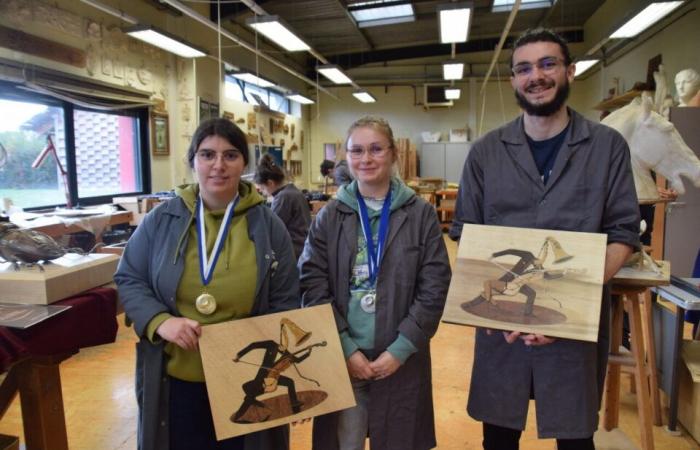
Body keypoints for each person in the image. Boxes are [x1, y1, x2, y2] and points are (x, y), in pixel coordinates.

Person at [449, 28, 640, 450]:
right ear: (514, 81)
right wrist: (507, 312)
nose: (536, 76)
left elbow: (623, 234)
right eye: (524, 68)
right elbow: (467, 235)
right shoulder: (485, 153)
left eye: (547, 63)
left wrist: (571, 307)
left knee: (575, 438)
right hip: (501, 327)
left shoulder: (607, 147)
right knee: (498, 437)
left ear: (570, 71)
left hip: (574, 326)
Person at [115, 118, 300, 450]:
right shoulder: (161, 220)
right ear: (193, 161)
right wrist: (160, 322)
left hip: (244, 382)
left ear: (245, 164)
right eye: (207, 154)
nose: (218, 165)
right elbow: (129, 277)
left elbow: (285, 301)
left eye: (230, 155)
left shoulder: (269, 226)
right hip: (177, 382)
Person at [299, 116, 451, 450]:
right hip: (343, 358)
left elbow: (435, 286)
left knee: (398, 438)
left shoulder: (419, 214)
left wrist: (400, 349)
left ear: (393, 153)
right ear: (347, 156)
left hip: (400, 358)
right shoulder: (331, 215)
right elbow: (311, 283)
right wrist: (344, 346)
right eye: (357, 150)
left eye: (375, 149)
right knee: (344, 442)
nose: (365, 159)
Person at [254, 154, 311, 260]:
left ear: (270, 183)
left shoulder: (283, 197)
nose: (262, 192)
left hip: (294, 252)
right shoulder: (292, 191)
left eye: (261, 188)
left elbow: (271, 229)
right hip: (303, 248)